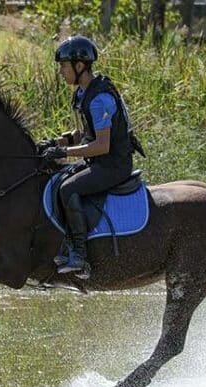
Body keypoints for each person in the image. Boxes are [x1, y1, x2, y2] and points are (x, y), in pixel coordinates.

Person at [37, 35, 144, 279]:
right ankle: (65, 245)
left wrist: (64, 153)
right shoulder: (83, 93)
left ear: (79, 66)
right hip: (98, 160)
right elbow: (85, 134)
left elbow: (101, 145)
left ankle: (80, 255)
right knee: (56, 180)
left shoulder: (99, 98)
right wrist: (56, 142)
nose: (61, 72)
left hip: (114, 165)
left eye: (64, 66)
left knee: (68, 190)